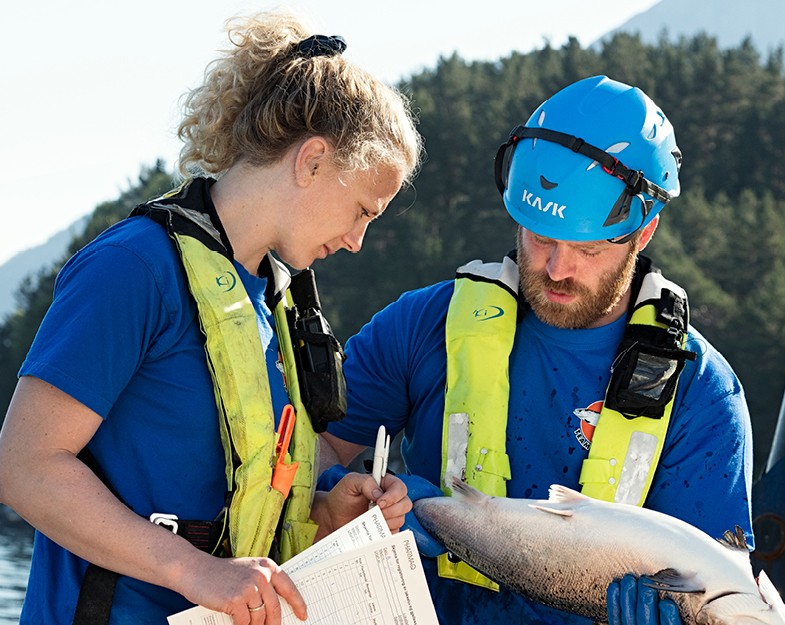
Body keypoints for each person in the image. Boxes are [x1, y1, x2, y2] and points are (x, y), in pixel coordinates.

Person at [0, 11, 423, 625]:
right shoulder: (132, 268)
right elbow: (24, 470)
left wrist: (326, 513)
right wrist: (194, 569)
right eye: (362, 210)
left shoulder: (277, 306)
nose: (357, 239)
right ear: (313, 161)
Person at [321, 75, 754, 625]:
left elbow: (722, 595)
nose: (557, 269)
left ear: (643, 233)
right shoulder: (424, 325)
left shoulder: (703, 392)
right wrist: (343, 496)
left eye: (587, 249)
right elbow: (314, 447)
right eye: (540, 238)